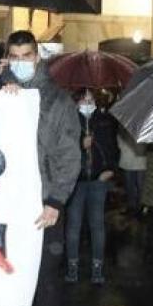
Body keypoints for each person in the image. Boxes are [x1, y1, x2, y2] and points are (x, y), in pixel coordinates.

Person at [0, 31, 82, 306]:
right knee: (6, 272)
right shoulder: (3, 93)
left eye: (27, 56)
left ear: (37, 58)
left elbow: (69, 155)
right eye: (15, 57)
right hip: (6, 202)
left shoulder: (57, 101)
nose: (22, 62)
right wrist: (2, 90)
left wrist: (56, 201)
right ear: (8, 57)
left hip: (42, 203)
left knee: (46, 279)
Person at [65, 89, 118, 285]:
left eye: (91, 98)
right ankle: (72, 267)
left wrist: (111, 169)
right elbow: (63, 149)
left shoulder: (104, 120)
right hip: (76, 181)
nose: (87, 102)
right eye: (83, 99)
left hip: (98, 180)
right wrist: (81, 144)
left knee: (97, 225)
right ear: (77, 101)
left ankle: (97, 267)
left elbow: (113, 147)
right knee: (74, 226)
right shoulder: (69, 120)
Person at [117, 129, 147, 217]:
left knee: (140, 185)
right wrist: (124, 148)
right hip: (128, 157)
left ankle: (140, 208)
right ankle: (132, 207)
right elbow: (119, 138)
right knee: (129, 185)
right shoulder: (125, 123)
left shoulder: (144, 124)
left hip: (140, 157)